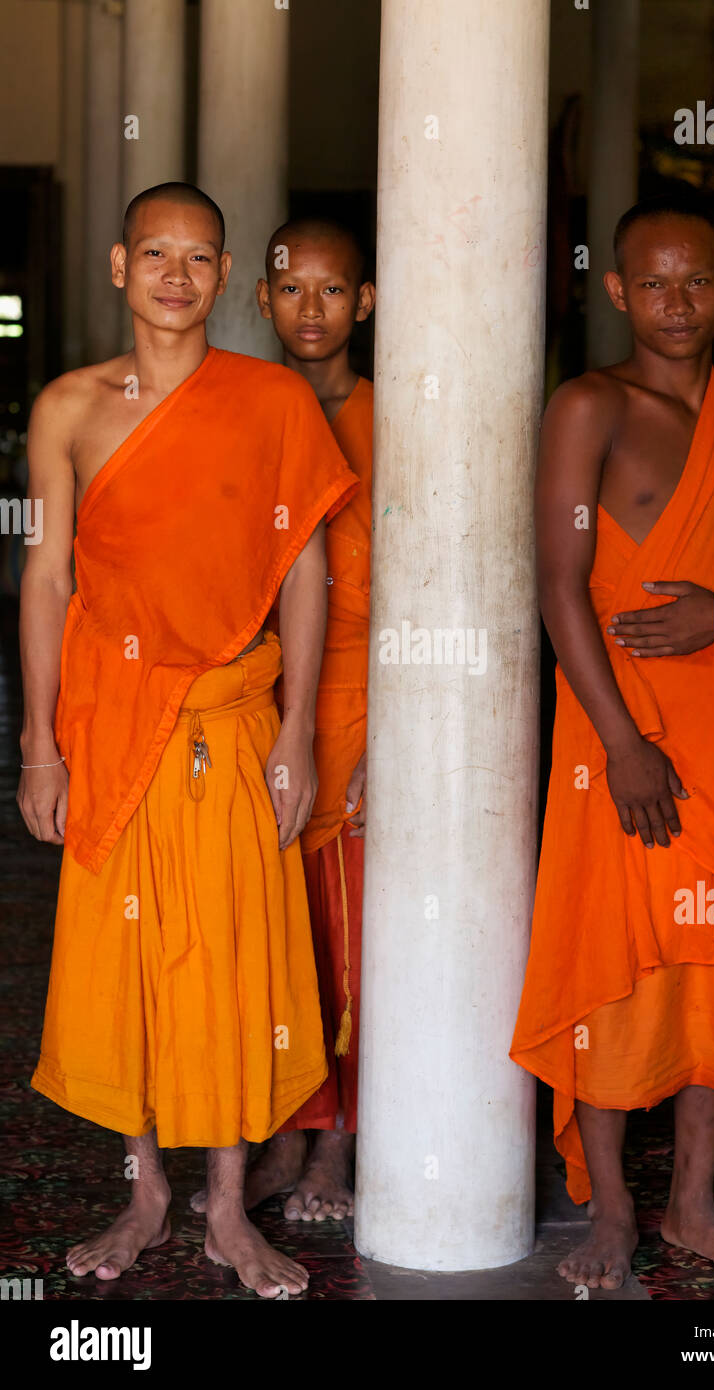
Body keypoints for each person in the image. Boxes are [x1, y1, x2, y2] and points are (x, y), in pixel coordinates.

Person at [19, 183, 360, 1298]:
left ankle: (224, 1206)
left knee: (231, 966)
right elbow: (49, 577)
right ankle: (145, 1192)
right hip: (111, 727)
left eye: (199, 256)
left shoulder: (269, 402)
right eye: (155, 253)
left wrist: (298, 731)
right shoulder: (70, 405)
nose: (176, 273)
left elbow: (301, 569)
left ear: (224, 279)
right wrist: (39, 744)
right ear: (119, 267)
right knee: (132, 968)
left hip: (232, 718)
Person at [510, 193, 714, 1291]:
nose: (676, 302)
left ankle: (692, 1203)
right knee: (612, 964)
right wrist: (621, 741)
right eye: (651, 283)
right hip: (623, 738)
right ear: (614, 291)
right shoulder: (587, 405)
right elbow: (557, 587)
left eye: (696, 280)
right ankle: (607, 1211)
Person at [192, 217, 374, 1223]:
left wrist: (398, 733)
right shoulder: (234, 409)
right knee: (262, 932)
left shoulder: (395, 417)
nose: (311, 308)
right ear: (259, 300)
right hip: (245, 695)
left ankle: (329, 1154)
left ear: (366, 302)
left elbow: (428, 588)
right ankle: (273, 1126)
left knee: (343, 938)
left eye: (333, 290)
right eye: (291, 289)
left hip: (351, 694)